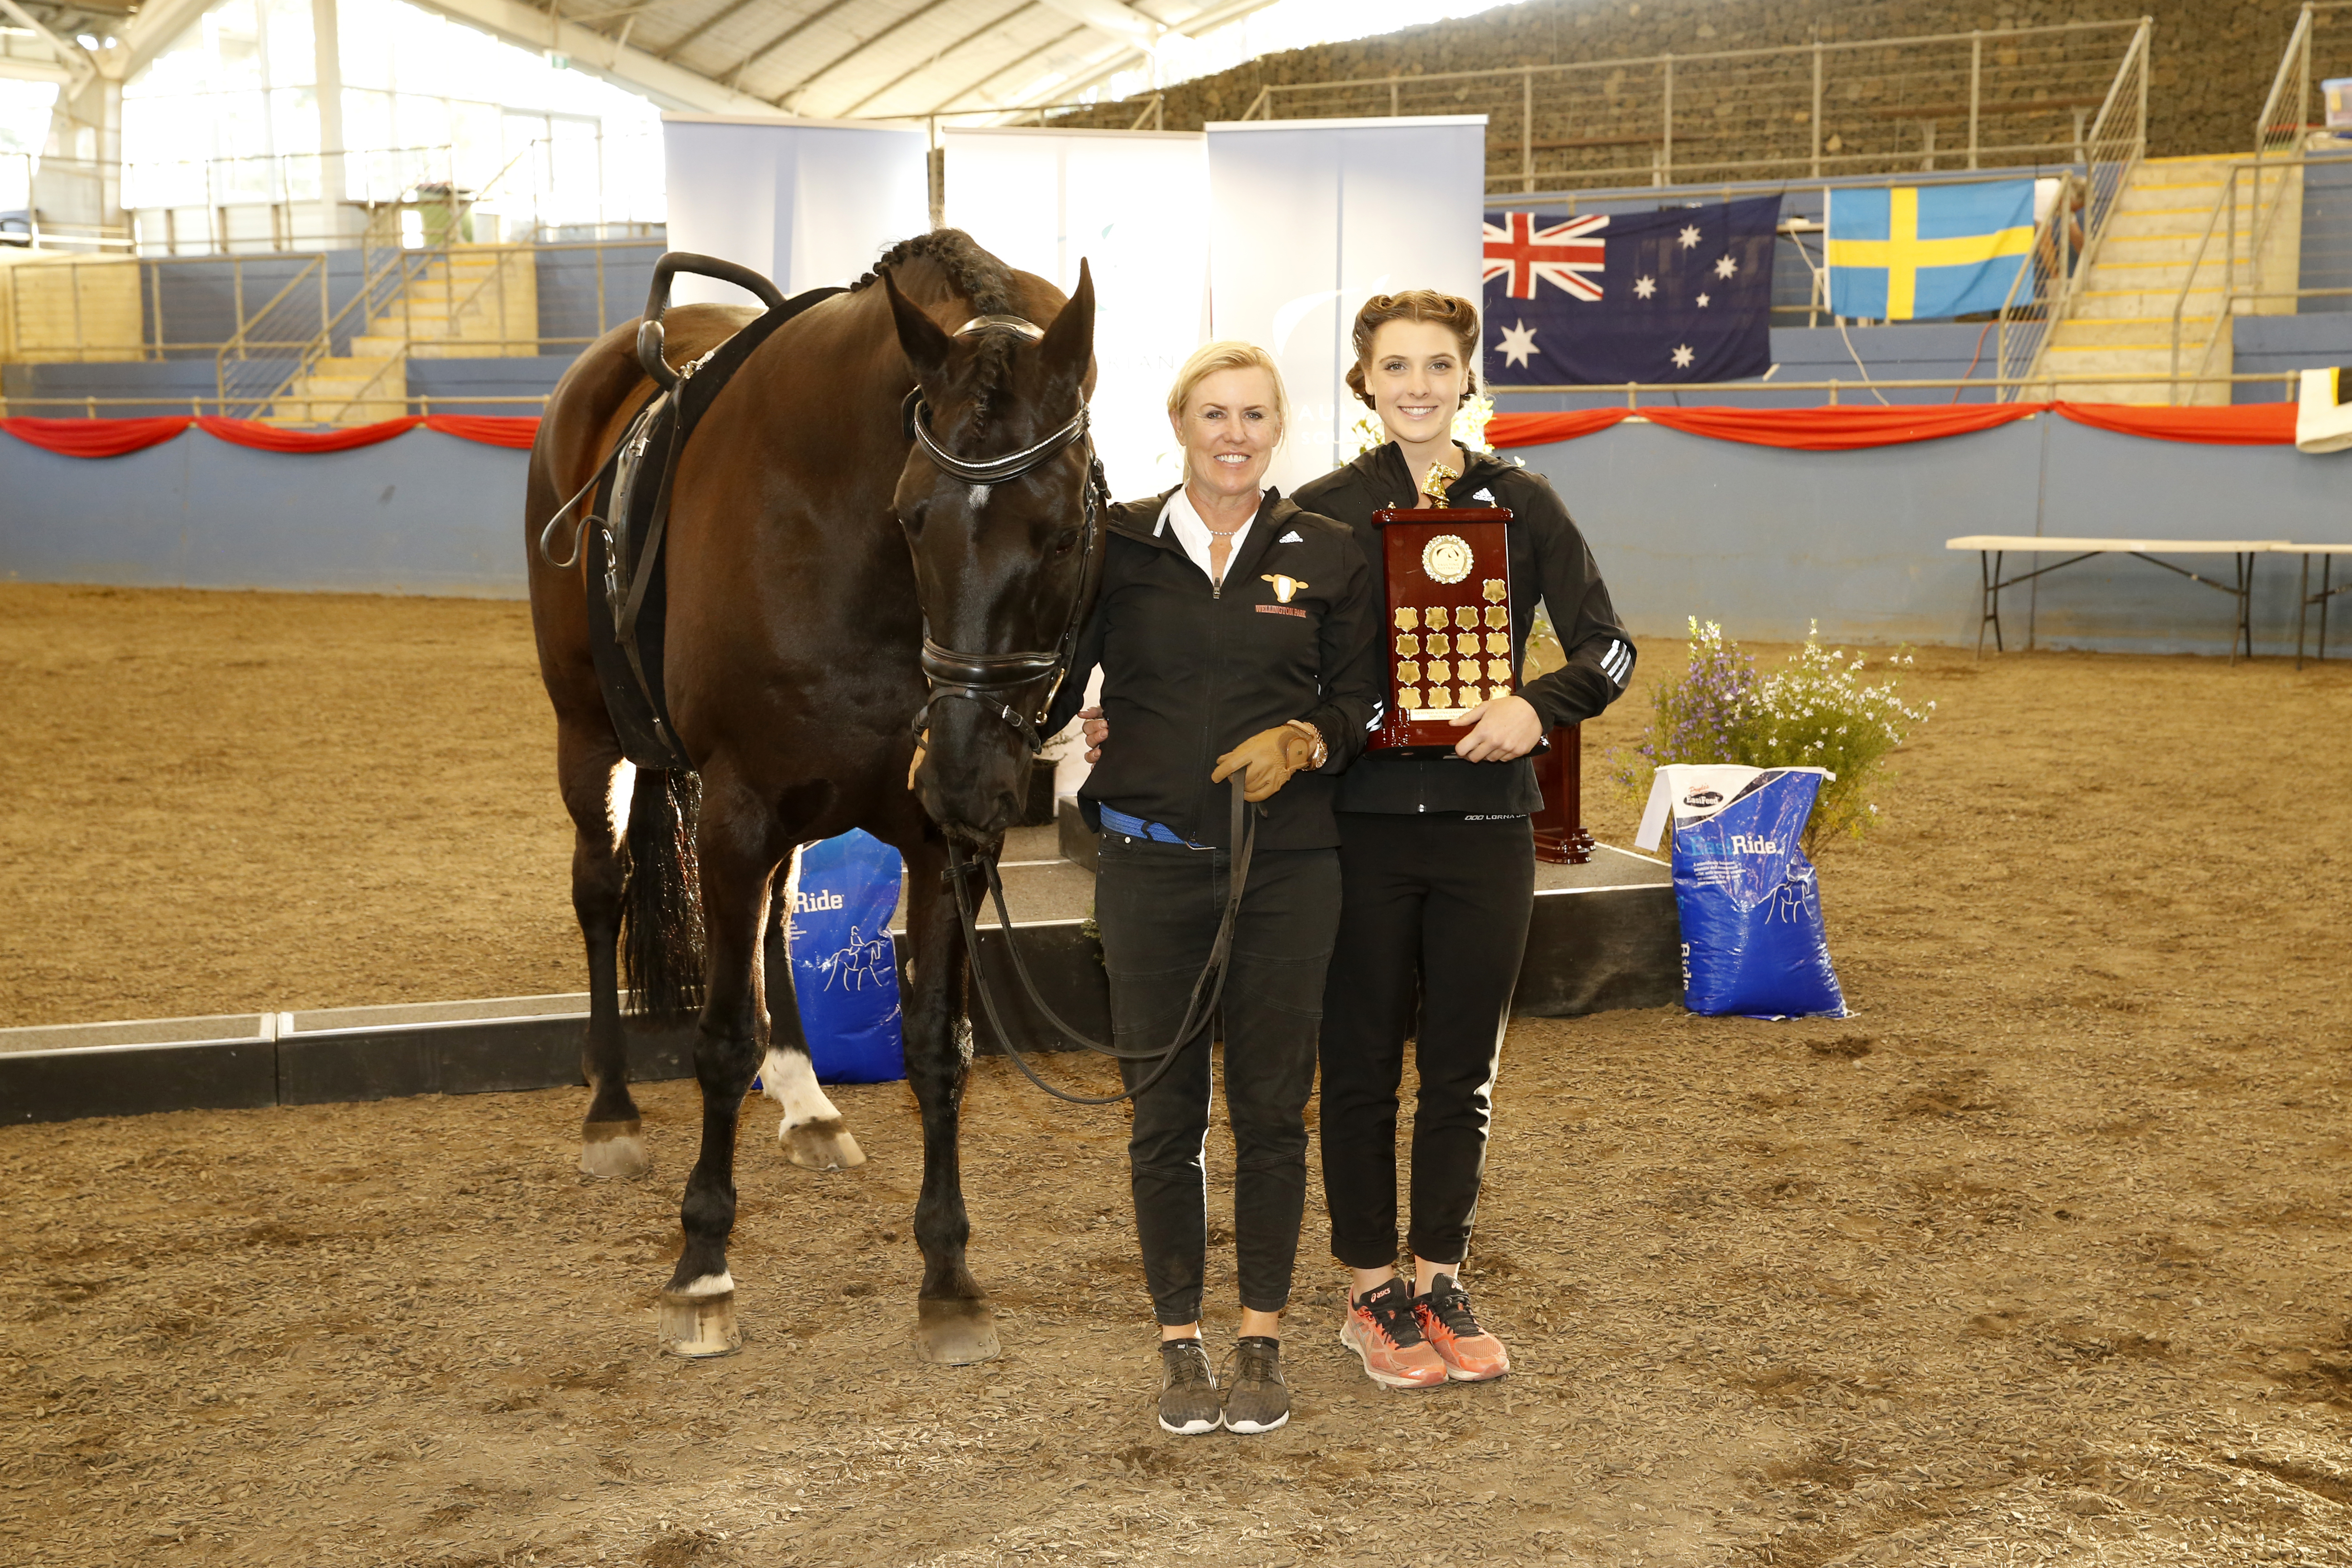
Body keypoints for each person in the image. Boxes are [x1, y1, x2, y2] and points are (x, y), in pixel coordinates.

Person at [1292, 290, 1636, 1389]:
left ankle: (1437, 1274)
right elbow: (1266, 657)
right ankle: (1366, 1293)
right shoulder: (1321, 509)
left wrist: (1539, 705)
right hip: (1361, 832)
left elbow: (1612, 648)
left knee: (1463, 1071)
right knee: (1355, 1067)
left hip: (1489, 830)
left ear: (1466, 377)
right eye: (1396, 367)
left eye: (1439, 365)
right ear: (1365, 381)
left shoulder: (1525, 504)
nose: (1418, 386)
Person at [1043, 341, 1380, 1436]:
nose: (1233, 434)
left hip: (1290, 872)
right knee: (1164, 1117)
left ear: (1279, 430)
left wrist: (1308, 738)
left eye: (1253, 415)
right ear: (1180, 424)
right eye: (1213, 414)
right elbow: (1057, 682)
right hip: (1148, 871)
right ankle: (1178, 1342)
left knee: (1273, 1111)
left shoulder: (1329, 552)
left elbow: (1365, 700)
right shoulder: (1118, 546)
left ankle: (1262, 1338)